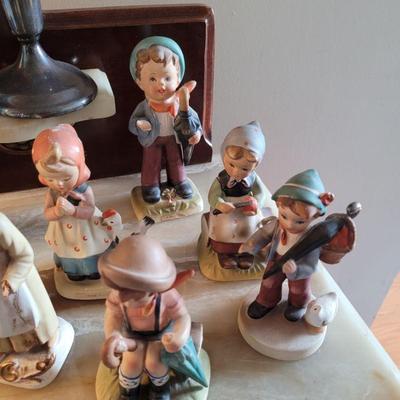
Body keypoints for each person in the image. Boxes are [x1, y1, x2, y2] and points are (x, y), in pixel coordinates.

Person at [99, 235, 194, 400]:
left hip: (160, 336)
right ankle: (128, 391)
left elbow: (182, 316)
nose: (123, 299)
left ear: (152, 288)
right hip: (132, 335)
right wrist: (113, 335)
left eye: (134, 296)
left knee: (154, 363)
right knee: (130, 363)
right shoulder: (118, 295)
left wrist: (179, 336)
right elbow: (113, 315)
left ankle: (159, 389)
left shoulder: (167, 296)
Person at [240, 169, 335, 321]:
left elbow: (311, 264)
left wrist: (296, 270)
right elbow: (263, 235)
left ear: (315, 216)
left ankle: (297, 305)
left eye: (300, 221)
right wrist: (249, 247)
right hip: (276, 258)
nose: (289, 224)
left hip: (298, 266)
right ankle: (266, 301)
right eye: (284, 216)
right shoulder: (277, 225)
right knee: (269, 282)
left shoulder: (312, 239)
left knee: (299, 289)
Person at [32, 124, 119, 281]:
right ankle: (73, 271)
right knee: (68, 251)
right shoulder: (52, 193)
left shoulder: (84, 190)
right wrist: (56, 211)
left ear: (80, 168)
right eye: (51, 179)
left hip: (86, 230)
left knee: (90, 249)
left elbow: (89, 210)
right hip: (64, 234)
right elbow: (47, 213)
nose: (59, 184)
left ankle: (93, 269)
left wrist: (73, 211)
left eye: (66, 178)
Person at [128, 36, 202, 204]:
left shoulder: (180, 103)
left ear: (178, 79)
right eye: (152, 79)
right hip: (152, 139)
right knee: (151, 161)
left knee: (176, 160)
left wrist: (197, 133)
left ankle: (179, 181)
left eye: (167, 78)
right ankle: (150, 185)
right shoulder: (144, 106)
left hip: (173, 138)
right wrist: (140, 124)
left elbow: (194, 121)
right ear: (140, 82)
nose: (161, 85)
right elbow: (132, 123)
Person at [207, 121, 268, 269]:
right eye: (231, 165)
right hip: (226, 208)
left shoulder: (253, 179)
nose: (236, 172)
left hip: (246, 208)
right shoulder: (221, 179)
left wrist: (256, 202)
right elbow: (213, 196)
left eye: (245, 168)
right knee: (225, 228)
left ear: (255, 165)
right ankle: (225, 253)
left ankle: (246, 253)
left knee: (250, 228)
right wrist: (220, 204)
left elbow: (260, 193)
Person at [0, 212, 58, 359]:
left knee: (31, 315)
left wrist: (11, 280)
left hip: (16, 280)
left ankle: (46, 339)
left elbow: (24, 254)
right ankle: (9, 347)